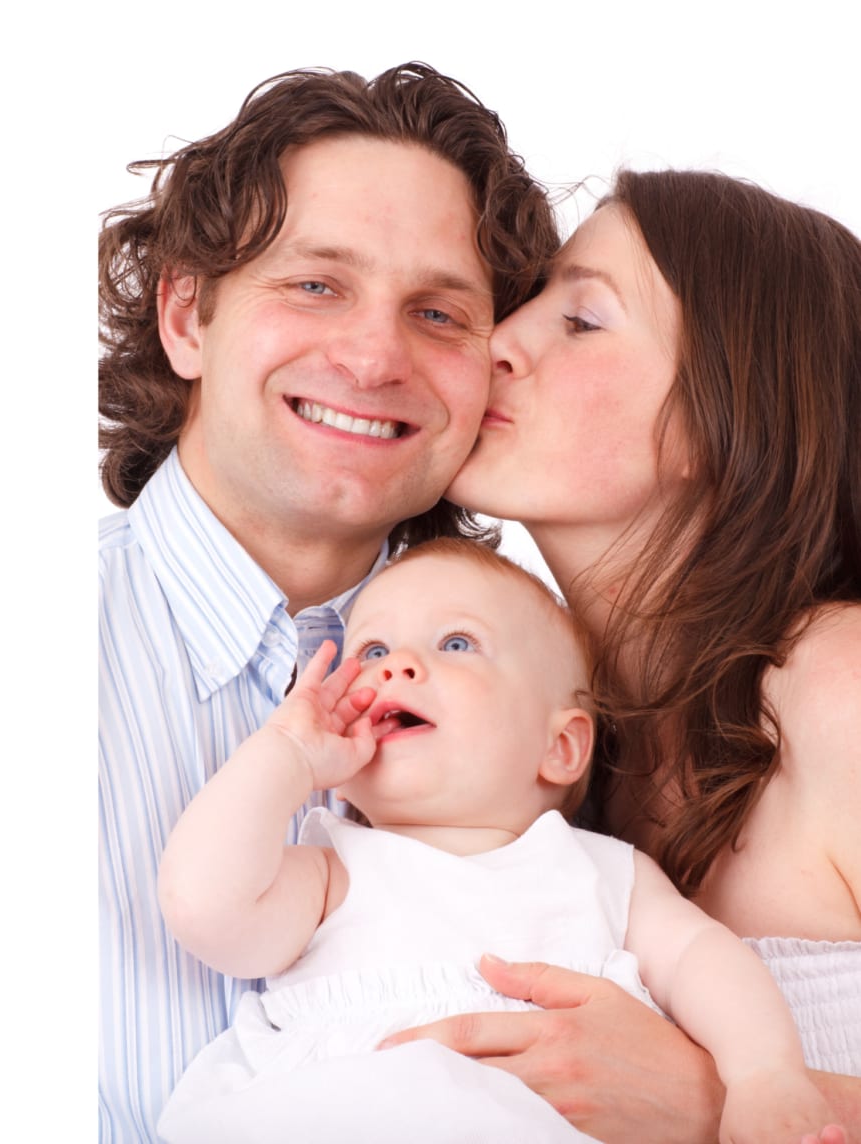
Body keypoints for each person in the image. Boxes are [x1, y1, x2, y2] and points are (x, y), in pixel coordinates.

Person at [97, 64, 559, 1140]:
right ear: (185, 317)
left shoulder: (549, 689)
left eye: (438, 312)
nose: (372, 355)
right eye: (315, 284)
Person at [378, 170, 861, 1139]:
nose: (499, 342)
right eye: (531, 303)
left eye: (584, 319)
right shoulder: (531, 726)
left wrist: (708, 1099)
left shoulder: (838, 687)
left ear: (728, 412)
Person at [155, 539, 844, 1144]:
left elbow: (707, 962)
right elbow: (204, 908)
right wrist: (288, 754)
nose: (396, 666)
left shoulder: (602, 874)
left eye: (456, 643)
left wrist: (762, 1075)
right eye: (372, 649)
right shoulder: (334, 874)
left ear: (561, 746)